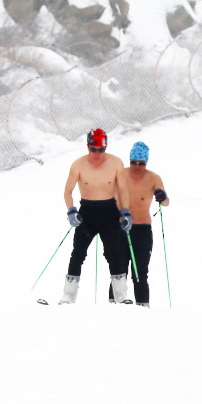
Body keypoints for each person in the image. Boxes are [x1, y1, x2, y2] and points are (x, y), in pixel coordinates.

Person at [58, 128, 133, 305]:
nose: (98, 154)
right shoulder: (78, 165)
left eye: (101, 149)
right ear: (87, 146)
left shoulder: (116, 163)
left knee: (114, 253)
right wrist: (71, 210)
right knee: (78, 253)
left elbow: (123, 189)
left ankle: (120, 296)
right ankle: (68, 296)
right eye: (94, 149)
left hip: (110, 213)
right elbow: (68, 191)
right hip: (87, 213)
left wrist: (125, 211)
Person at [120, 141, 169, 308]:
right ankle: (115, 307)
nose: (137, 166)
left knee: (140, 272)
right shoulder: (120, 174)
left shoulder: (153, 178)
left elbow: (166, 202)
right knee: (118, 272)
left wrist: (162, 196)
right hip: (121, 229)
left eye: (141, 163)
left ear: (146, 162)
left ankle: (143, 307)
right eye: (133, 162)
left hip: (142, 231)